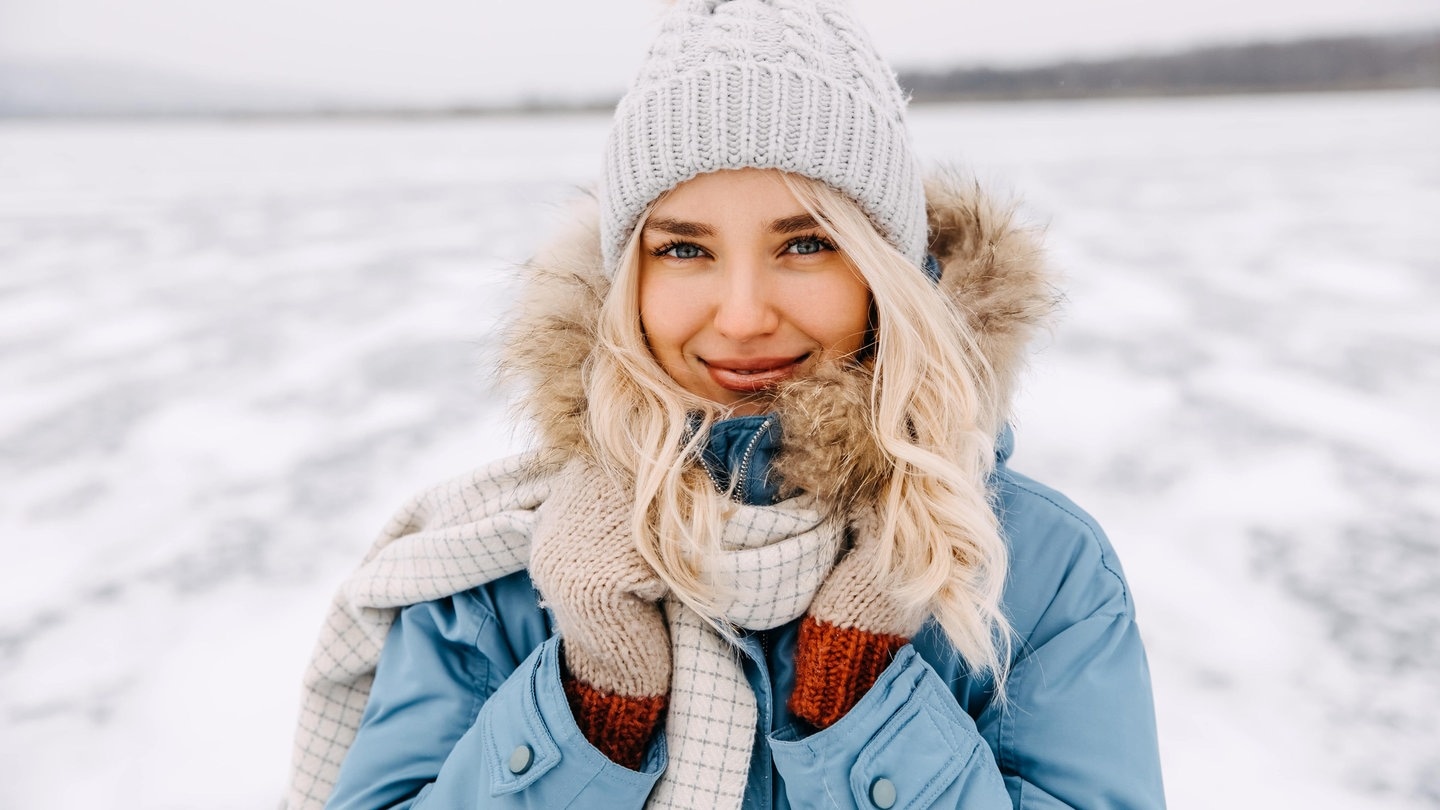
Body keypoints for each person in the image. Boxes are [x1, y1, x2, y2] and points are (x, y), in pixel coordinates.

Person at [285, 1, 1167, 808]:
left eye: (807, 243)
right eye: (683, 251)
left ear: (882, 270)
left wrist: (854, 704)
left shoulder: (1038, 573)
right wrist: (591, 705)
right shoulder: (494, 579)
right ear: (626, 277)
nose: (743, 316)